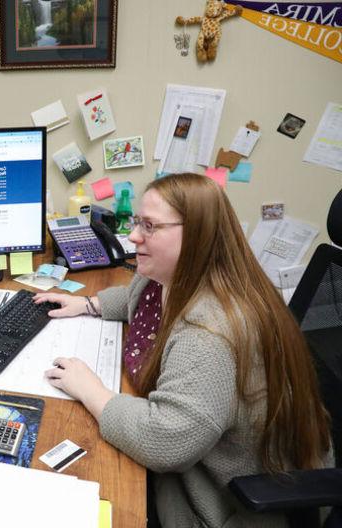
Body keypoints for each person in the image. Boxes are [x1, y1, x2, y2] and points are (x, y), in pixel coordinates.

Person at [34, 173, 333, 527]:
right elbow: (139, 300)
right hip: (199, 459)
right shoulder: (173, 275)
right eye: (136, 223)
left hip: (221, 504)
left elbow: (164, 441)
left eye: (149, 226)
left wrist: (91, 390)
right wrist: (88, 305)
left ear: (197, 235)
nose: (132, 236)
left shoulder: (209, 332)